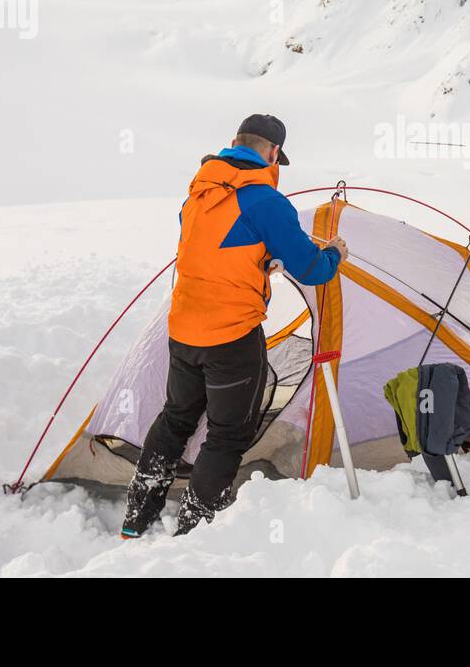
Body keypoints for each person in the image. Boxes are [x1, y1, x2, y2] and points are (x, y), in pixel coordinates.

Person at [121, 114, 348, 538]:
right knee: (226, 436)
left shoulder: (197, 193)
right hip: (231, 338)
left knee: (175, 419)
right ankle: (194, 530)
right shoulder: (265, 200)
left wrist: (258, 259)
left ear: (233, 143)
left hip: (183, 331)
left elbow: (214, 250)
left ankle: (137, 517)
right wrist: (335, 253)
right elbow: (313, 268)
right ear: (274, 153)